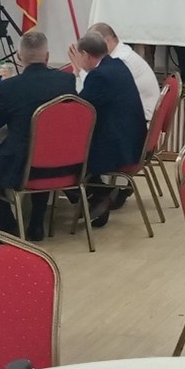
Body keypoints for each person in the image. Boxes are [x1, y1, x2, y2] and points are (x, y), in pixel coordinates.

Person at [0, 31, 76, 241]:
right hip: (64, 160)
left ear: (19, 58)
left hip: (21, 165)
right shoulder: (67, 81)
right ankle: (36, 222)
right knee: (43, 147)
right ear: (47, 56)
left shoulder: (10, 87)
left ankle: (7, 225)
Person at [71, 33, 147, 227]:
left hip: (116, 147)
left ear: (85, 54)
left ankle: (95, 195)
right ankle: (95, 194)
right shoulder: (117, 65)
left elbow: (79, 108)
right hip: (131, 139)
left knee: (63, 154)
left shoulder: (99, 76)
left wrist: (77, 73)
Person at [73, 22, 159, 123]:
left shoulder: (122, 59)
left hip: (142, 118)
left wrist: (80, 70)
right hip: (133, 114)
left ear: (106, 41)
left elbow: (89, 99)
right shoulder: (118, 56)